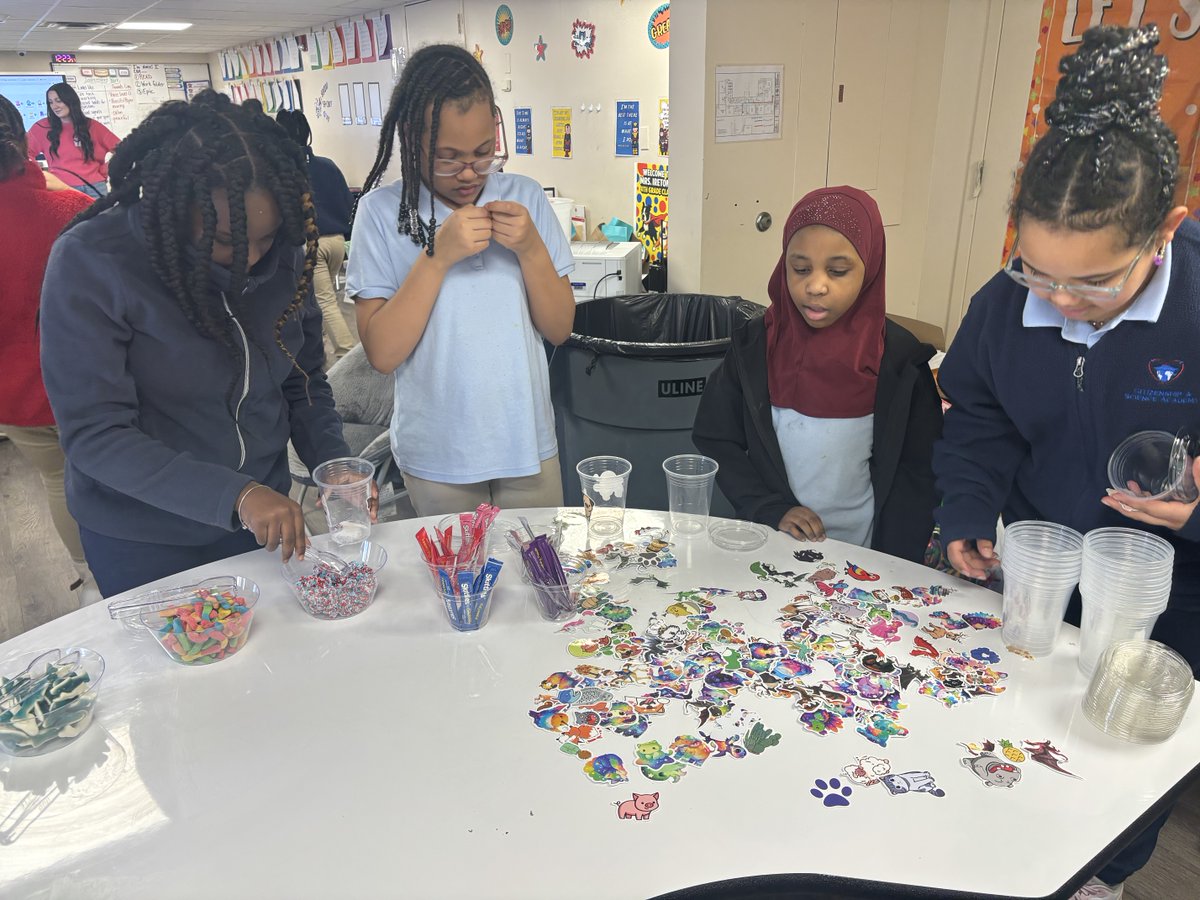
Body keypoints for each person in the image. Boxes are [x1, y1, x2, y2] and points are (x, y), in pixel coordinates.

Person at [932, 26, 1196, 899]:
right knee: (1030, 731)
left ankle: (1104, 877)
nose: (1060, 304)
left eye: (1093, 284)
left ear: (1167, 230)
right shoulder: (1007, 308)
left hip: (1175, 591)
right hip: (1048, 564)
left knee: (1125, 757)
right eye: (1037, 270)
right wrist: (968, 512)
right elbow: (979, 416)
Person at [39, 91, 358, 598]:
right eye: (229, 242)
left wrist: (332, 463)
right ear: (171, 206)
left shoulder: (286, 255)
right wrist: (237, 495)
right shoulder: (93, 261)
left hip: (260, 520)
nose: (252, 261)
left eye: (268, 237)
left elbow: (304, 381)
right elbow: (95, 433)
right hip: (144, 534)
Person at [347, 43, 574, 516]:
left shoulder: (524, 198)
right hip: (438, 454)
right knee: (453, 583)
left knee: (534, 581)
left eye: (483, 153)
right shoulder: (381, 213)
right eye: (448, 157)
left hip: (526, 443)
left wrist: (531, 250)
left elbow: (559, 328)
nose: (469, 172)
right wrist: (436, 258)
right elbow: (383, 353)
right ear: (412, 138)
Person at [693, 186, 943, 562]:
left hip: (866, 558)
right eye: (800, 268)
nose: (816, 285)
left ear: (871, 269)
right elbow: (715, 437)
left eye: (838, 271)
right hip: (768, 548)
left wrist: (894, 563)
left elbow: (919, 474)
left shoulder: (901, 363)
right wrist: (767, 507)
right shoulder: (754, 347)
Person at [0, 94, 100, 605]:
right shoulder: (75, 209)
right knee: (117, 473)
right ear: (22, 143)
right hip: (93, 384)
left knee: (58, 478)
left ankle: (92, 581)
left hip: (13, 394)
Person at [276, 108, 357, 361]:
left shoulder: (282, 171)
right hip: (336, 244)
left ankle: (348, 356)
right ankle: (318, 347)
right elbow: (347, 203)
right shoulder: (327, 165)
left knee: (324, 302)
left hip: (311, 246)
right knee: (320, 299)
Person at [25, 82, 119, 197]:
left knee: (101, 216)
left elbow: (123, 149)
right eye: (51, 102)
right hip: (61, 188)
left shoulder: (92, 126)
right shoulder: (42, 127)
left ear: (70, 100)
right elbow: (24, 152)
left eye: (58, 100)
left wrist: (104, 170)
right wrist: (39, 175)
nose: (55, 106)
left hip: (94, 187)